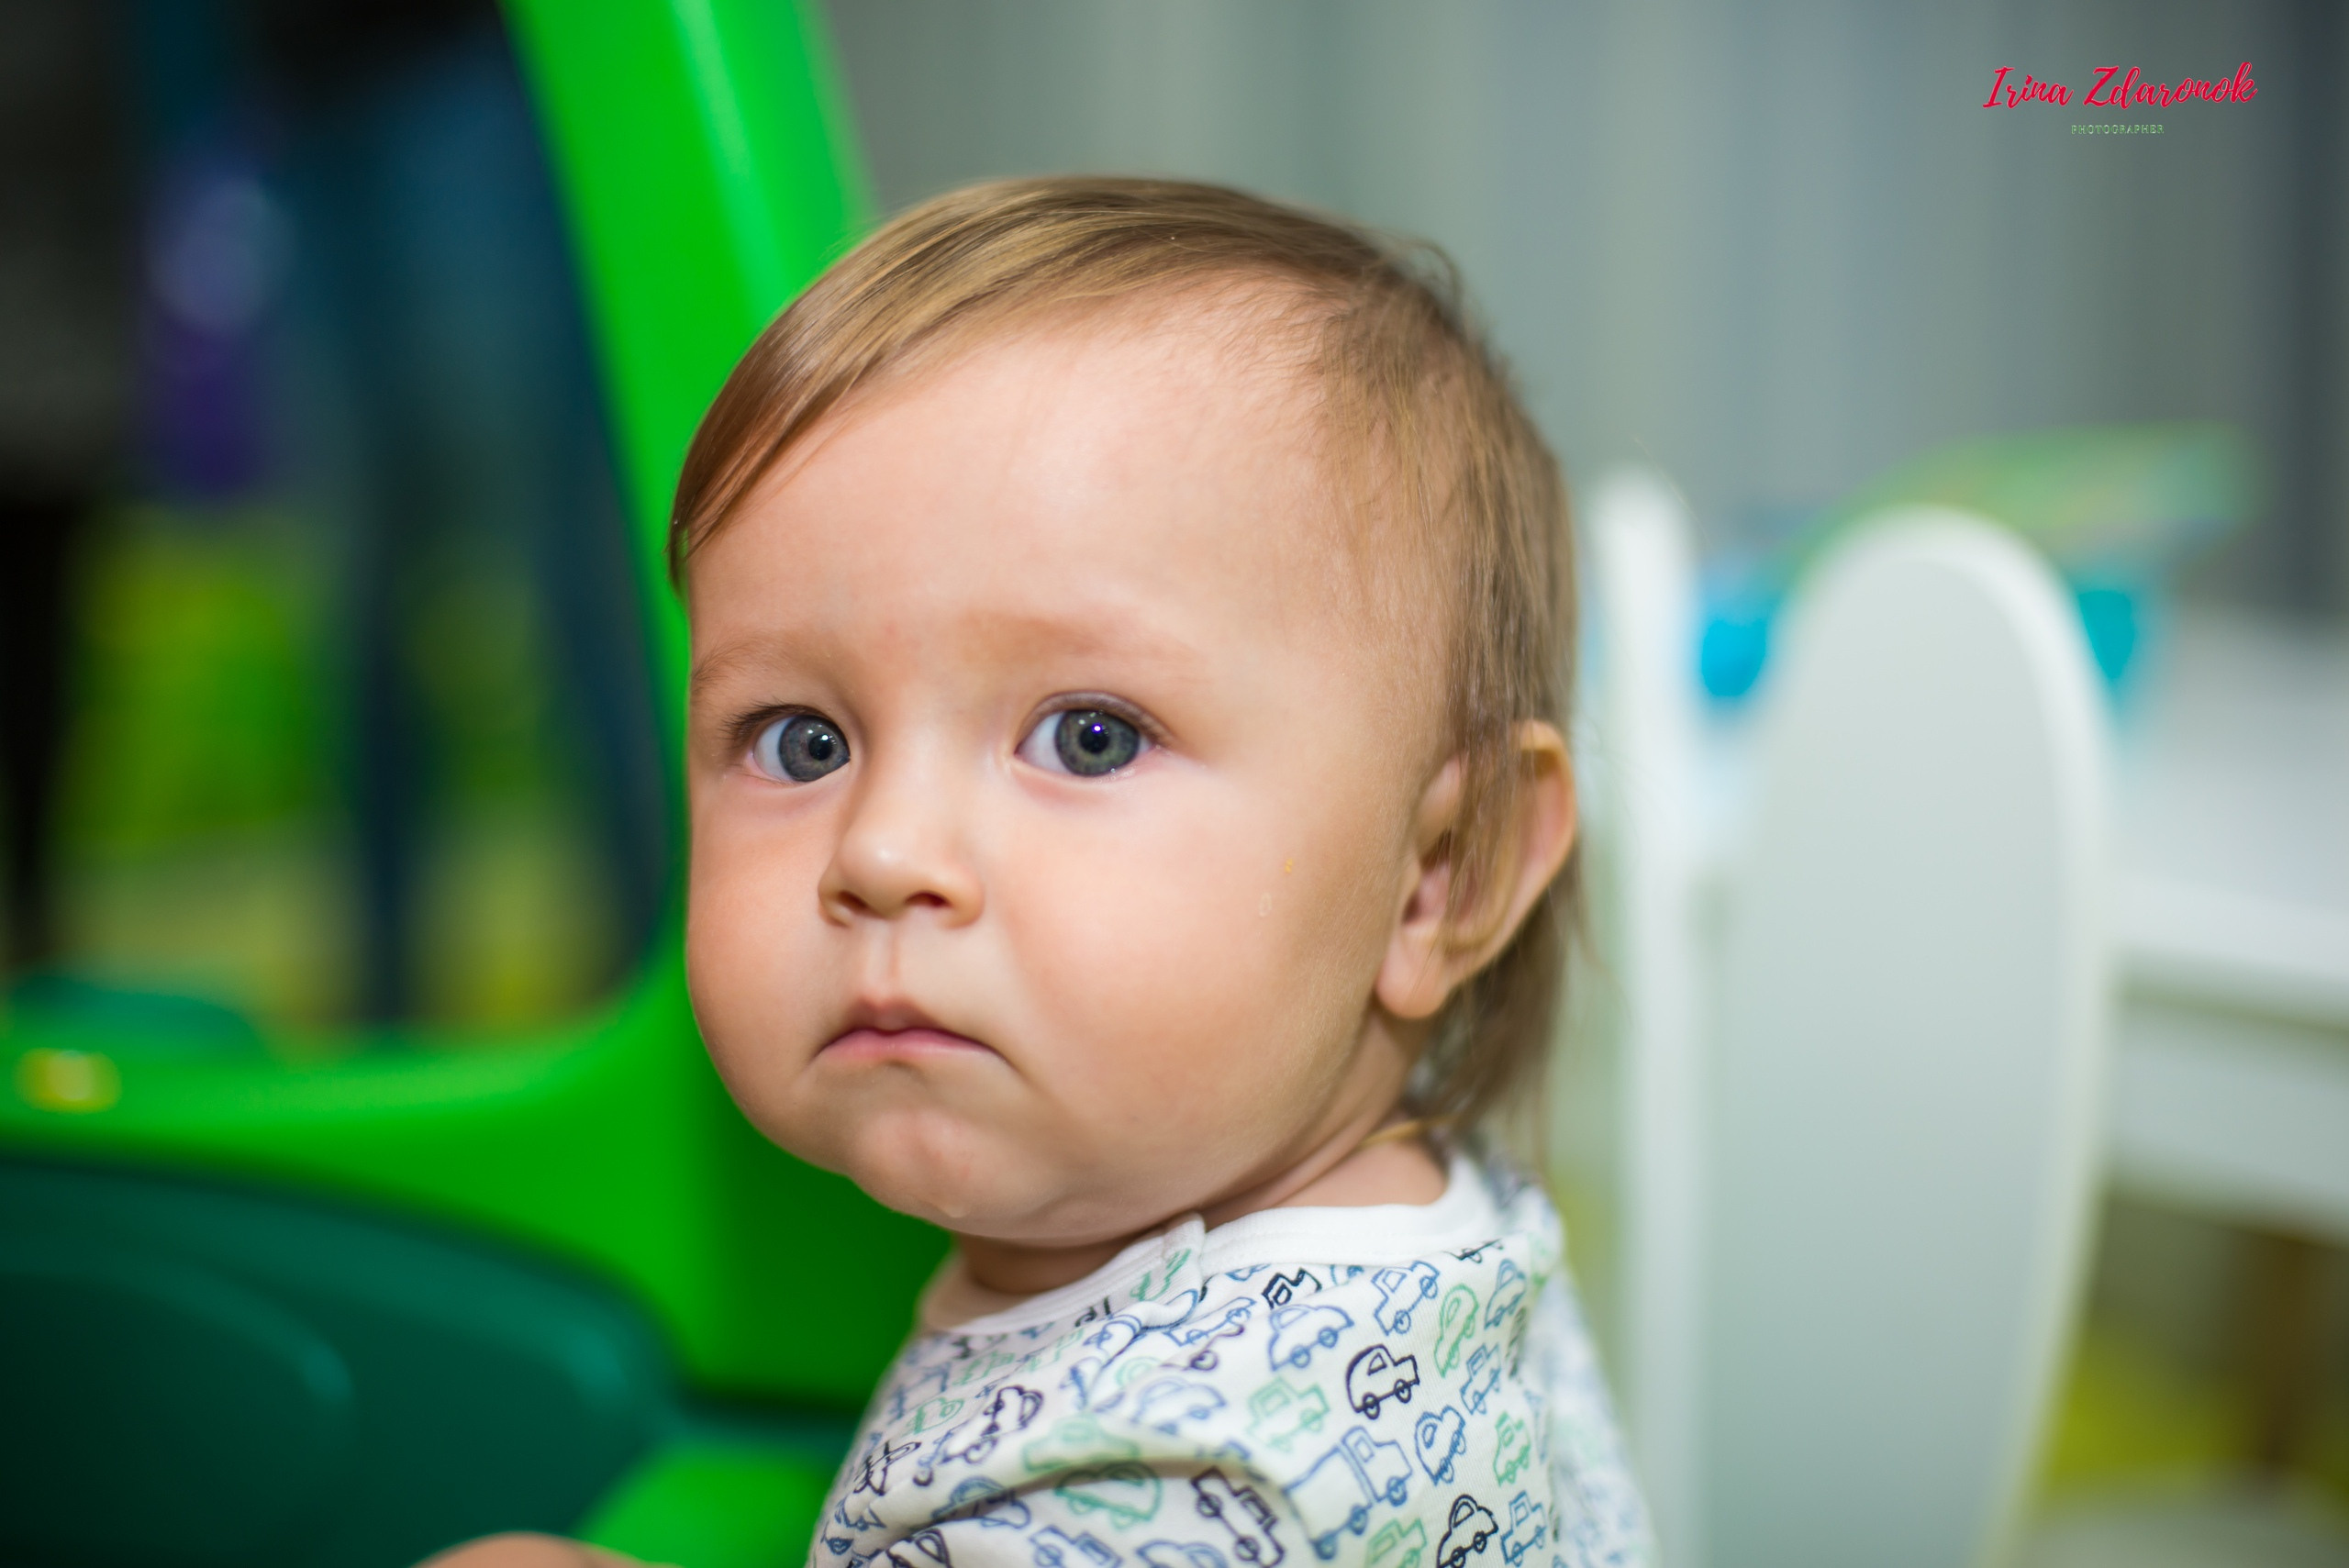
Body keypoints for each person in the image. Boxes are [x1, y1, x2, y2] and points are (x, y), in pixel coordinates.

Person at [429, 176, 1651, 1568]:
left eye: (1088, 736)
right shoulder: (1407, 1215)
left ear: (1443, 871)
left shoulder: (1203, 1476)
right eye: (803, 739)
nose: (883, 853)